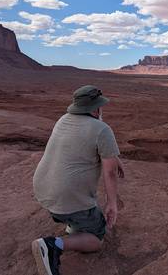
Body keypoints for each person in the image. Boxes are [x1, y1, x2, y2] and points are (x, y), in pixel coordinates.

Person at [31, 85, 123, 275]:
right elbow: (110, 173)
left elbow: (86, 144)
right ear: (96, 108)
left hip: (43, 191)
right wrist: (112, 203)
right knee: (97, 239)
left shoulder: (63, 120)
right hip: (67, 199)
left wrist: (115, 159)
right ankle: (52, 245)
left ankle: (73, 224)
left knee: (78, 212)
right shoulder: (102, 129)